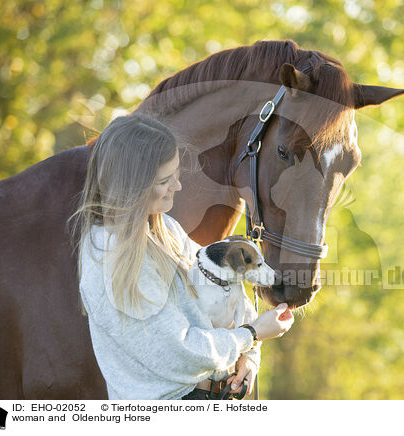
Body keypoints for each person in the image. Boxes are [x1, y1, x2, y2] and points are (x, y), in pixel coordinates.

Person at [67, 112, 294, 400]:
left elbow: (224, 297)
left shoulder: (166, 231)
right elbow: (179, 353)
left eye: (176, 175)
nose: (178, 186)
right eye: (165, 180)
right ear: (132, 185)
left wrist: (248, 357)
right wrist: (251, 335)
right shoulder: (113, 258)